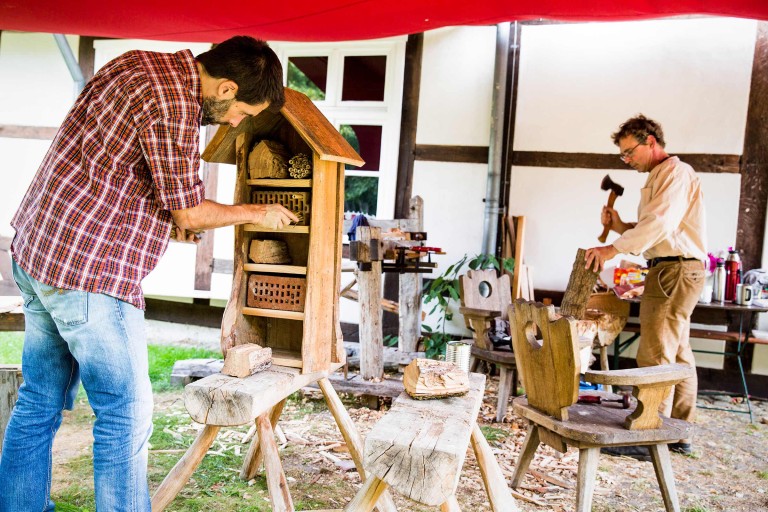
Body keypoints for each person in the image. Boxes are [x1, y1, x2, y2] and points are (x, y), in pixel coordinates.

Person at [0, 36, 298, 511]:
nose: (237, 121)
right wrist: (256, 213)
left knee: (38, 400)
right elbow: (189, 211)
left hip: (40, 250)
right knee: (126, 413)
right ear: (224, 87)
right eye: (242, 111)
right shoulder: (174, 105)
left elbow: (110, 164)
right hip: (88, 273)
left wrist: (169, 218)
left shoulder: (138, 65)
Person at [585, 114, 706, 457]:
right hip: (674, 268)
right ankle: (680, 431)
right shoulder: (661, 176)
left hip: (675, 271)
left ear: (650, 141)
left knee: (654, 354)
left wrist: (611, 247)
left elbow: (661, 224)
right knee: (678, 353)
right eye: (622, 156)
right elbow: (657, 228)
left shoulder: (675, 173)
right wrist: (621, 225)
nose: (627, 160)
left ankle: (650, 433)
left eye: (629, 152)